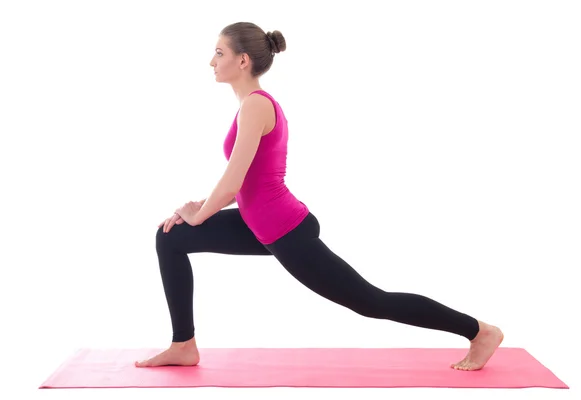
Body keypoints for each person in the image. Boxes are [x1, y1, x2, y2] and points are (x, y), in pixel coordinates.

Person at [134, 22, 504, 371]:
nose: (211, 61)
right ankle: (183, 345)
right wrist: (200, 208)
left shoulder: (257, 105)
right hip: (260, 222)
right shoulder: (250, 106)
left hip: (284, 229)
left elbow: (233, 182)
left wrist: (200, 215)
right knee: (171, 236)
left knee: (371, 302)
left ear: (242, 60)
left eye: (218, 52)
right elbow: (247, 181)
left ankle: (479, 331)